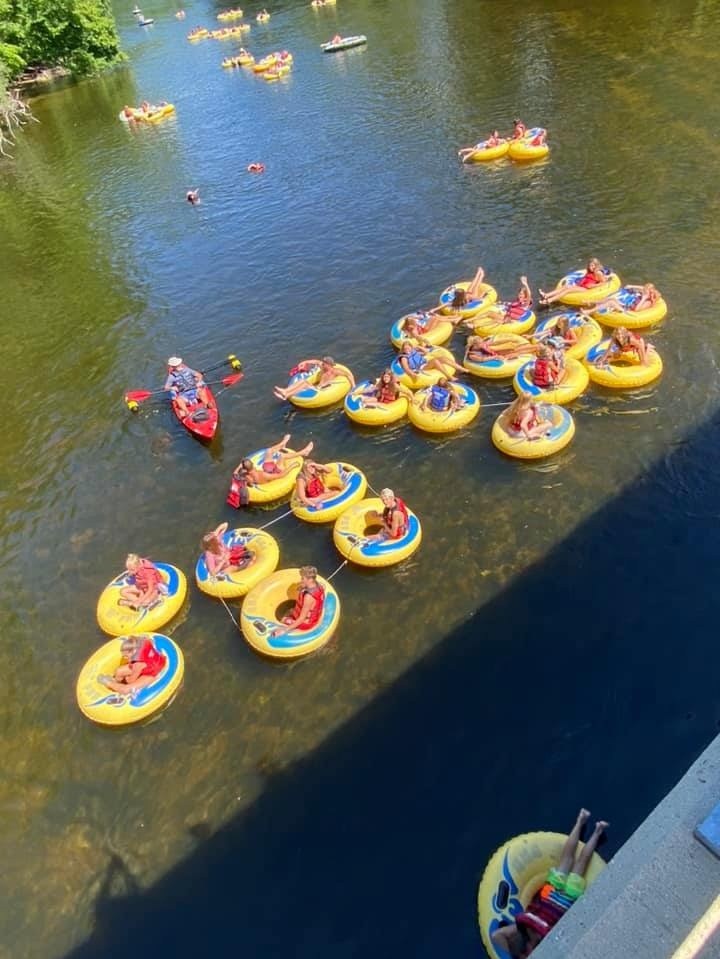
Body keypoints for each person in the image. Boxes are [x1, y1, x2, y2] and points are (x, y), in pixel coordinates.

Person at [491, 810, 609, 957]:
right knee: (574, 861)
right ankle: (590, 826)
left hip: (558, 895)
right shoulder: (535, 933)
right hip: (560, 896)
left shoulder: (526, 934)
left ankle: (589, 825)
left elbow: (496, 936)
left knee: (573, 860)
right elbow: (497, 936)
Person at [98, 635, 168, 694]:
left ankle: (108, 682)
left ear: (132, 652)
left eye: (126, 656)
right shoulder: (145, 641)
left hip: (153, 673)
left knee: (125, 689)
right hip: (151, 664)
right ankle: (116, 683)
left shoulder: (137, 664)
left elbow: (130, 681)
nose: (124, 657)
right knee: (119, 671)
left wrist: (127, 678)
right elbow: (151, 640)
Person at [271, 566, 325, 637]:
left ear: (310, 579)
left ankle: (288, 622)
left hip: (306, 623)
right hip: (309, 616)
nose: (301, 580)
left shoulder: (308, 597)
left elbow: (301, 619)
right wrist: (303, 586)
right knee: (291, 610)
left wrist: (284, 630)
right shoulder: (318, 585)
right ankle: (293, 614)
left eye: (303, 578)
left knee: (283, 619)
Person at [274, 356, 354, 401]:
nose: (322, 364)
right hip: (317, 387)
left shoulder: (335, 371)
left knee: (305, 383)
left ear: (328, 364)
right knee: (302, 380)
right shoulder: (323, 368)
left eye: (324, 363)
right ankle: (285, 391)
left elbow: (349, 375)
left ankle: (286, 395)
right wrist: (305, 362)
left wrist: (353, 387)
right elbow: (315, 361)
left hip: (322, 390)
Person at [539, 258, 608, 306]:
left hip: (587, 288)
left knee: (568, 290)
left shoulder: (598, 273)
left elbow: (603, 282)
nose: (591, 267)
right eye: (590, 265)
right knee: (566, 286)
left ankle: (549, 301)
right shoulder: (589, 271)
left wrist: (593, 286)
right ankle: (546, 295)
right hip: (583, 285)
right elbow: (587, 278)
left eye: (593, 265)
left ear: (596, 265)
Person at [397, 341, 465, 385]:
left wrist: (418, 347)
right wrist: (412, 374)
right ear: (403, 350)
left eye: (408, 348)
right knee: (435, 361)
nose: (407, 350)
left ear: (411, 347)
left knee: (443, 358)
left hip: (425, 363)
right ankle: (450, 377)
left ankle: (460, 368)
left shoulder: (414, 351)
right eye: (405, 349)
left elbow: (426, 352)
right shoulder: (404, 358)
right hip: (420, 368)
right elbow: (406, 368)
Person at [583, 282, 661, 315]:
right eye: (644, 290)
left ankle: (589, 311)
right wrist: (632, 286)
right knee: (612, 299)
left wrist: (643, 298)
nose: (643, 291)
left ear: (649, 293)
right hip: (626, 305)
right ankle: (591, 302)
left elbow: (636, 309)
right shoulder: (645, 293)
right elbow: (642, 288)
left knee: (611, 302)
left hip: (628, 310)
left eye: (645, 291)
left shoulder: (647, 302)